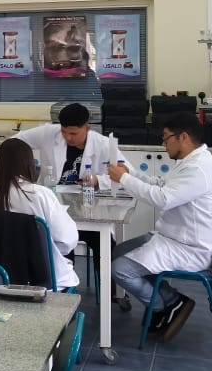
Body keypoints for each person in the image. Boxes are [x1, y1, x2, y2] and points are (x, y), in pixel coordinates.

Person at [107, 112, 212, 342]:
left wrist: (124, 180)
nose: (163, 144)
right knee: (118, 252)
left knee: (120, 269)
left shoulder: (199, 169)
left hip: (189, 248)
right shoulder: (191, 162)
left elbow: (163, 198)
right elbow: (162, 185)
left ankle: (165, 305)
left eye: (166, 138)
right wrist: (131, 174)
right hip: (174, 237)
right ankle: (170, 299)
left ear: (183, 137)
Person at [11, 102, 127, 282]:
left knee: (104, 245)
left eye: (73, 133)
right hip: (54, 206)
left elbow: (126, 172)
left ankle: (110, 291)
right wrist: (25, 168)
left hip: (88, 210)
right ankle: (63, 288)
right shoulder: (49, 133)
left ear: (87, 128)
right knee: (59, 243)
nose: (68, 137)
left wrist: (99, 180)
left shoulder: (102, 144)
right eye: (64, 132)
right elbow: (13, 143)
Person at [0, 139, 80, 290]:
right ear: (29, 164)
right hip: (44, 281)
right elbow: (67, 241)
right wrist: (47, 249)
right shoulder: (42, 194)